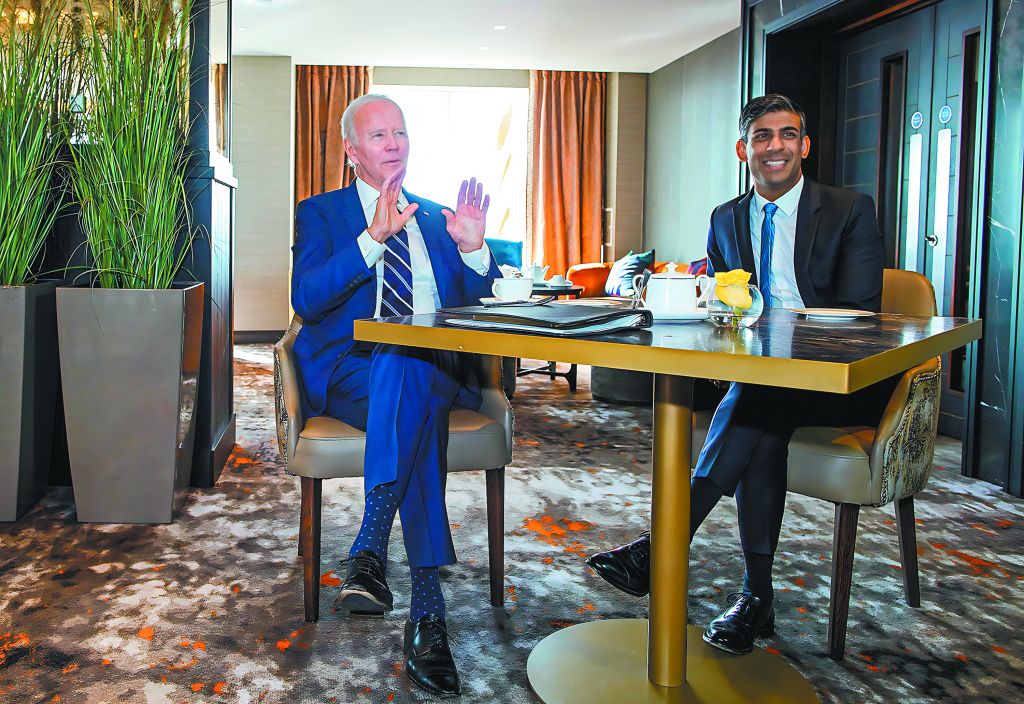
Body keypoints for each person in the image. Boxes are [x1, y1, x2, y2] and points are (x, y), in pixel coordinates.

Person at [587, 94, 895, 656]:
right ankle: (756, 597)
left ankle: (662, 546)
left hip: (837, 382)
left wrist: (777, 344)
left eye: (787, 134)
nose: (775, 146)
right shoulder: (725, 218)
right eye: (761, 136)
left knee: (757, 399)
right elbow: (722, 305)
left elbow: (859, 310)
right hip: (762, 381)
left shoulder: (849, 209)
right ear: (742, 149)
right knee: (761, 423)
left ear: (805, 145)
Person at [290, 94, 499, 697]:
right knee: (410, 390)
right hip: (353, 371)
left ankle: (371, 546)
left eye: (400, 133)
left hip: (436, 365)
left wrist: (473, 250)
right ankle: (427, 613)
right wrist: (371, 239)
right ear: (352, 151)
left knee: (410, 362)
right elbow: (308, 299)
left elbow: (482, 307)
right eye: (379, 135)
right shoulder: (322, 213)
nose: (393, 144)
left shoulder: (435, 216)